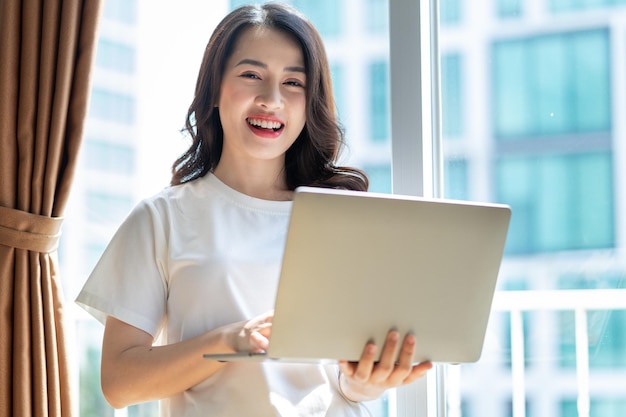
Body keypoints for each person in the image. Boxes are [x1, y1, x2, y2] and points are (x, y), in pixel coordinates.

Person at [76, 3, 432, 416]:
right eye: (251, 75)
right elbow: (121, 383)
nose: (272, 99)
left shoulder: (342, 219)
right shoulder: (163, 217)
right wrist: (225, 342)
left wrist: (364, 380)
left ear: (309, 101)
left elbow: (343, 383)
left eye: (293, 82)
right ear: (213, 91)